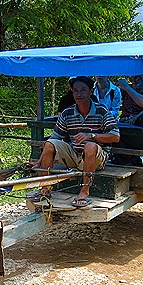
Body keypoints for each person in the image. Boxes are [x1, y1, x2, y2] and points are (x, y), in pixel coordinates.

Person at [31, 76, 120, 207]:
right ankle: (45, 188)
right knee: (49, 144)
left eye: (83, 90)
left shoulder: (101, 110)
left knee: (89, 146)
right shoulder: (67, 113)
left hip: (96, 159)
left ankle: (84, 191)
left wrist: (91, 135)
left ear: (91, 91)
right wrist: (39, 161)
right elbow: (54, 138)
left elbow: (115, 136)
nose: (79, 94)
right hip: (75, 156)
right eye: (76, 90)